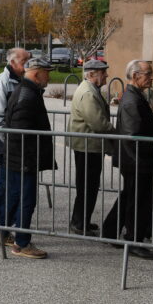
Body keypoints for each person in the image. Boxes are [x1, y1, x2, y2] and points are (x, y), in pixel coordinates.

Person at [0, 57, 54, 258]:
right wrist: (30, 157)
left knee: (14, 197)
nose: (49, 76)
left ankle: (2, 232)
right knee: (25, 200)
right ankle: (22, 243)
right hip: (23, 159)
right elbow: (21, 132)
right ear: (36, 73)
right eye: (47, 72)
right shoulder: (27, 95)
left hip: (19, 158)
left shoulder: (27, 90)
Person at [101, 59, 153, 259]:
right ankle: (133, 240)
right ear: (135, 76)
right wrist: (152, 151)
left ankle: (109, 231)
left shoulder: (134, 96)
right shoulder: (132, 100)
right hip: (136, 160)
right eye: (148, 73)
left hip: (135, 159)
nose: (152, 77)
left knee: (130, 195)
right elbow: (134, 136)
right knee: (138, 200)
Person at [66, 60, 115, 236]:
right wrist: (116, 132)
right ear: (92, 74)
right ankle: (79, 223)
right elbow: (98, 124)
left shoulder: (89, 89)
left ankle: (81, 220)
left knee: (87, 186)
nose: (107, 75)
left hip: (88, 145)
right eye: (103, 72)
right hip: (87, 146)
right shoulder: (88, 93)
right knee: (87, 186)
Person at [0, 47, 31, 222]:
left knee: (9, 178)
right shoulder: (2, 82)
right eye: (24, 61)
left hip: (16, 140)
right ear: (12, 63)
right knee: (5, 177)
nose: (27, 65)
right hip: (4, 138)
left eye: (28, 60)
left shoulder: (22, 79)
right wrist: (9, 139)